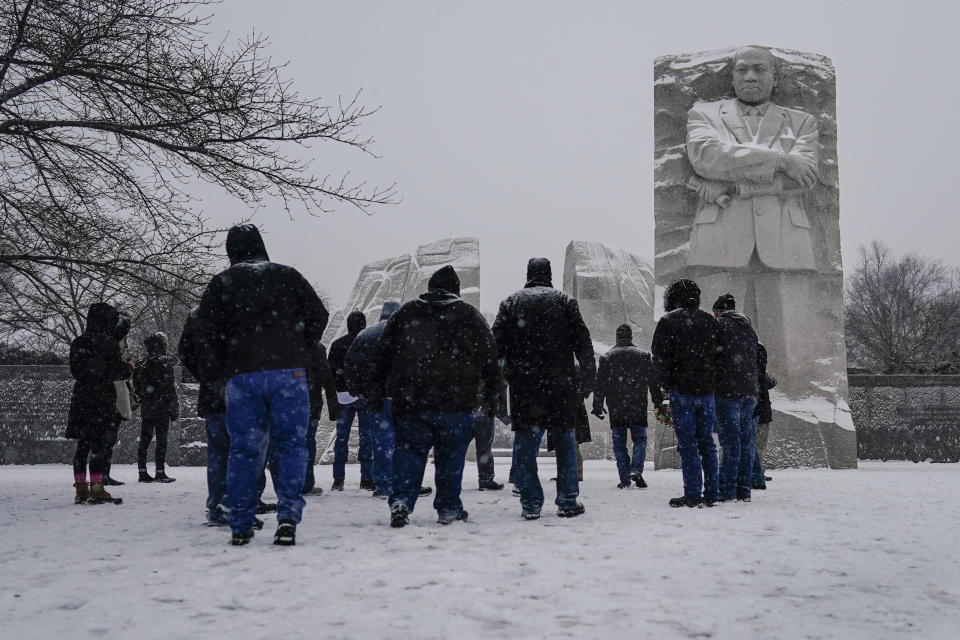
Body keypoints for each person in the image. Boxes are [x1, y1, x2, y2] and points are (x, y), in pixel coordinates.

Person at [685, 45, 825, 395]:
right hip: (719, 240)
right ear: (731, 75)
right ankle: (717, 400)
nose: (750, 76)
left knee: (788, 344)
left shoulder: (801, 121)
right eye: (743, 69)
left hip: (785, 243)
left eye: (760, 70)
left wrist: (737, 183)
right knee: (712, 339)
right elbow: (707, 158)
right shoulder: (703, 114)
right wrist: (780, 161)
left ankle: (791, 399)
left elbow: (803, 177)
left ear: (774, 77)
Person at [195, 224, 328, 546]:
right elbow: (318, 316)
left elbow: (204, 333)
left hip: (242, 374)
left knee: (243, 448)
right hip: (288, 371)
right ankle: (288, 516)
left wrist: (221, 367)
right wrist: (298, 345)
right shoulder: (288, 276)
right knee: (292, 446)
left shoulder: (223, 283)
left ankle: (240, 519)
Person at [370, 266, 500, 528]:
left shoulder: (406, 312)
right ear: (456, 290)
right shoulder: (468, 315)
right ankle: (448, 506)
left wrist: (377, 391)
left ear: (430, 287)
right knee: (450, 457)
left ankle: (402, 501)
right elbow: (490, 358)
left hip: (411, 400)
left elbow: (383, 354)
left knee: (409, 454)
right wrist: (491, 395)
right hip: (456, 400)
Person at [492, 258, 595, 520]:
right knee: (564, 443)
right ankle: (567, 499)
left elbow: (494, 349)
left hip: (525, 389)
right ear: (549, 275)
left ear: (528, 274)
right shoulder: (564, 302)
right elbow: (583, 342)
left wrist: (498, 381)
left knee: (526, 445)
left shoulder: (511, 303)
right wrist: (587, 379)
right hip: (561, 386)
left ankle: (531, 502)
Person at [651, 279, 720, 508]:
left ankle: (692, 493)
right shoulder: (710, 320)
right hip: (707, 392)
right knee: (707, 443)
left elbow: (659, 357)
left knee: (688, 444)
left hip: (682, 391)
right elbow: (720, 355)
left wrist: (668, 384)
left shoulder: (669, 321)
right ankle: (712, 492)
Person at [65, 303, 133, 505]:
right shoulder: (108, 343)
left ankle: (80, 489)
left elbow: (77, 371)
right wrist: (128, 367)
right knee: (98, 445)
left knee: (82, 446)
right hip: (101, 399)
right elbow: (115, 372)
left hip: (81, 398)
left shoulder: (78, 343)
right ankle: (97, 488)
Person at [592, 324, 663, 489]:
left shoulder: (607, 357)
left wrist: (597, 405)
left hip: (617, 407)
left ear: (617, 338)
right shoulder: (644, 356)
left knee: (619, 444)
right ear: (631, 338)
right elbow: (653, 382)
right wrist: (657, 401)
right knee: (640, 439)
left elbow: (600, 385)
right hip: (637, 405)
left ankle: (624, 478)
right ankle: (636, 469)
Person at [712, 293, 759, 502]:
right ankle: (744, 489)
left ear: (720, 311)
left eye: (715, 312)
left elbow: (712, 358)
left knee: (730, 443)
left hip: (727, 391)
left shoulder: (719, 326)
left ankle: (727, 489)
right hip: (749, 391)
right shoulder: (748, 328)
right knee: (745, 441)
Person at [327, 310, 372, 491]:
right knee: (366, 438)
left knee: (341, 438)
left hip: (343, 397)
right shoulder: (367, 343)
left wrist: (340, 388)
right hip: (364, 397)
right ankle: (367, 477)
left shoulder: (338, 345)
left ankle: (338, 479)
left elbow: (332, 371)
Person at [133, 332, 179, 483]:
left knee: (145, 440)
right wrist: (173, 409)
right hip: (162, 408)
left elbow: (136, 385)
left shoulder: (142, 364)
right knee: (161, 440)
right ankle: (160, 471)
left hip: (147, 408)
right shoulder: (165, 363)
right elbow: (170, 389)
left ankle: (142, 472)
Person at [103, 309, 134, 486]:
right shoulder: (112, 342)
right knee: (108, 436)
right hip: (113, 390)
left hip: (113, 391)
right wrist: (128, 366)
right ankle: (102, 474)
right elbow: (116, 368)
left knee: (109, 436)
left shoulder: (111, 339)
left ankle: (102, 474)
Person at [752, 343, 777, 490]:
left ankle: (752, 473)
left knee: (749, 444)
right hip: (762, 409)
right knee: (759, 445)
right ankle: (757, 473)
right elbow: (772, 382)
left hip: (749, 409)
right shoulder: (762, 374)